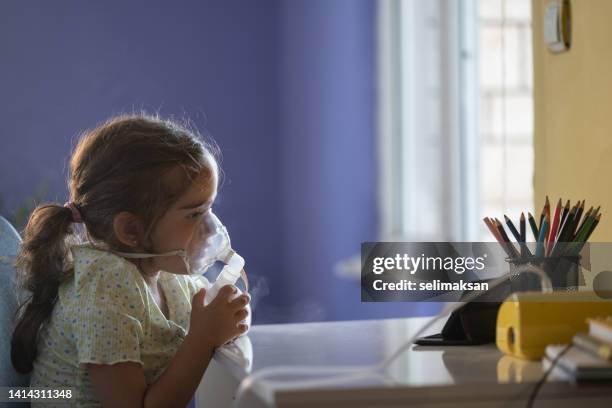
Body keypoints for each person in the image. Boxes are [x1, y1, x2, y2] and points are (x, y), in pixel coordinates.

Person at [11, 114, 250, 407]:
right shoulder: (104, 289)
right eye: (193, 214)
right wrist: (203, 338)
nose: (211, 227)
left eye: (209, 208)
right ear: (131, 230)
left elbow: (209, 313)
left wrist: (228, 317)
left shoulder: (169, 274)